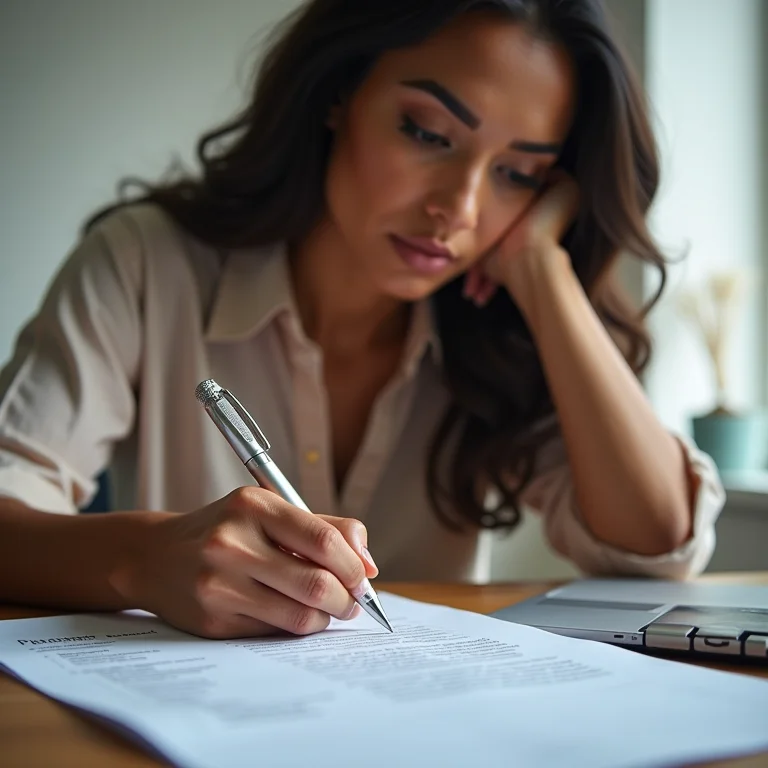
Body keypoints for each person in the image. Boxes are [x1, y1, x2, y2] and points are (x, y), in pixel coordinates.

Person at [0, 0, 725, 640]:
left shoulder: (500, 332)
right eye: (428, 132)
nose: (460, 210)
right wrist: (146, 558)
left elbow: (656, 549)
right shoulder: (146, 265)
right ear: (338, 91)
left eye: (517, 174)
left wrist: (542, 271)